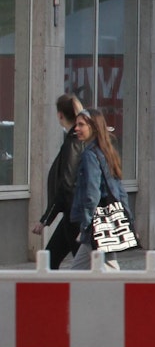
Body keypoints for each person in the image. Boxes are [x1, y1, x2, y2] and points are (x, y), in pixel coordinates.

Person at [67, 107, 126, 270]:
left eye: (81, 125)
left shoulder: (89, 155)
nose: (76, 128)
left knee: (105, 269)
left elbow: (92, 192)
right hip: (107, 219)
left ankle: (124, 294)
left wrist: (87, 224)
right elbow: (120, 190)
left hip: (97, 222)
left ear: (93, 126)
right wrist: (128, 218)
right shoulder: (107, 152)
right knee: (80, 271)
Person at [30, 95, 86, 269]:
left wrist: (46, 218)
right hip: (73, 213)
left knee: (81, 265)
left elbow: (66, 185)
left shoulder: (73, 143)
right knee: (49, 260)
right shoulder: (76, 140)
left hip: (73, 215)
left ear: (60, 115)